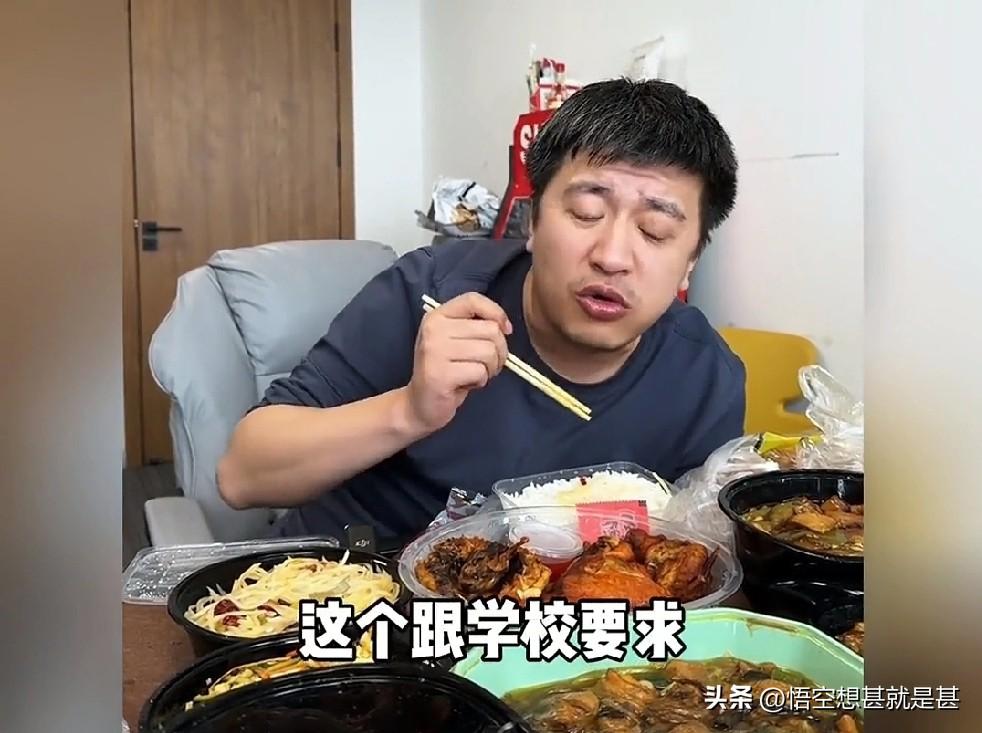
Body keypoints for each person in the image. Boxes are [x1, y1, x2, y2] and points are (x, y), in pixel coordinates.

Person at [217, 78, 746, 547]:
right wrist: (409, 411)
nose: (611, 256)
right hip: (348, 584)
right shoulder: (431, 293)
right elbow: (242, 475)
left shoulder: (703, 379)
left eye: (655, 230)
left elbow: (695, 549)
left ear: (690, 262)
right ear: (533, 222)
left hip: (541, 617)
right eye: (587, 212)